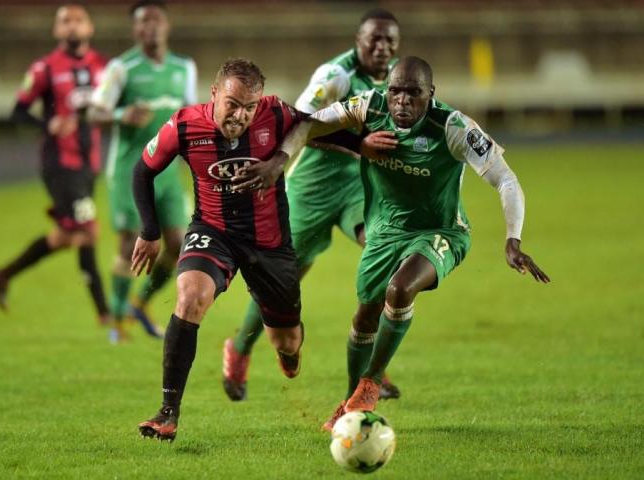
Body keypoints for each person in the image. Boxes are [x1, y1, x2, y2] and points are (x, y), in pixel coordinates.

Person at [233, 56, 550, 431]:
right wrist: (284, 161)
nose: (401, 101)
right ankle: (351, 401)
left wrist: (513, 238)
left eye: (413, 93)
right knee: (364, 317)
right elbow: (310, 124)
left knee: (400, 290)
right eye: (395, 91)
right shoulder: (369, 105)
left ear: (430, 95)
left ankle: (371, 383)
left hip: (440, 231)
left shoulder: (453, 127)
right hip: (385, 232)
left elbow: (506, 180)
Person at [222, 8, 403, 403]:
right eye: (374, 38)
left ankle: (371, 364)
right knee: (281, 286)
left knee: (384, 253)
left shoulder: (396, 82)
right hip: (312, 188)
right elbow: (298, 122)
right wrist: (359, 145)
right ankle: (240, 349)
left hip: (359, 188)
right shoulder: (335, 76)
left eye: (390, 40)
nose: (382, 47)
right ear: (359, 40)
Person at [130, 58, 306, 442]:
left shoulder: (276, 114)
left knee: (287, 343)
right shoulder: (183, 125)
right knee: (191, 296)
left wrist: (363, 144)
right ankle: (167, 412)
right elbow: (142, 170)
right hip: (214, 231)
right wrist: (150, 230)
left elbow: (316, 125)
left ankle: (282, 350)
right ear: (214, 94)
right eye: (232, 104)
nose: (240, 115)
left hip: (269, 243)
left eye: (249, 107)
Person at [0, 4, 112, 331]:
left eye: (78, 20)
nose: (72, 26)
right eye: (65, 21)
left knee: (65, 236)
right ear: (57, 31)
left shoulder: (104, 67)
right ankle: (105, 316)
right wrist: (48, 123)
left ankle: (2, 275)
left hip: (90, 165)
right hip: (60, 164)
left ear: (90, 28)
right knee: (89, 231)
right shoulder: (45, 67)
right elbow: (18, 111)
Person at [90, 0, 195, 339]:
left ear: (167, 25)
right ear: (135, 30)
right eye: (142, 22)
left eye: (155, 20)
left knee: (179, 244)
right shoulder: (121, 69)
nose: (150, 26)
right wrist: (120, 115)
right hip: (128, 172)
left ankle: (141, 302)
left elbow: (191, 116)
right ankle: (117, 321)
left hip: (167, 173)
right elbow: (95, 113)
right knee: (127, 245)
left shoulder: (184, 67)